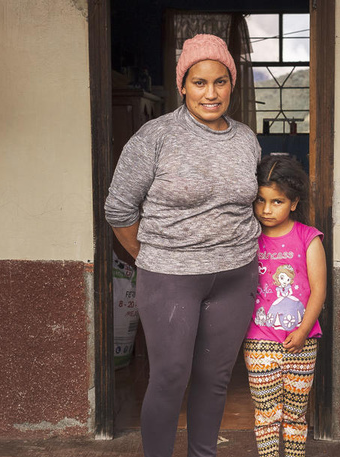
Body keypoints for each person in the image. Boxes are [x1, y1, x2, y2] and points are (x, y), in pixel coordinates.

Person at [104, 33, 261, 457]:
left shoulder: (246, 139)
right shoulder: (154, 136)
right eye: (199, 82)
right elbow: (118, 209)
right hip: (170, 277)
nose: (211, 93)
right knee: (171, 375)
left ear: (232, 84)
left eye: (220, 82)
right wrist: (152, 258)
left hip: (237, 273)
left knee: (214, 379)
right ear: (183, 85)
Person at [244, 155, 327, 457]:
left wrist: (304, 330)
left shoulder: (308, 238)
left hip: (301, 343)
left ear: (293, 203)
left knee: (295, 414)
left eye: (277, 201)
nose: (266, 210)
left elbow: (318, 290)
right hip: (259, 342)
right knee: (265, 415)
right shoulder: (247, 239)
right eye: (260, 200)